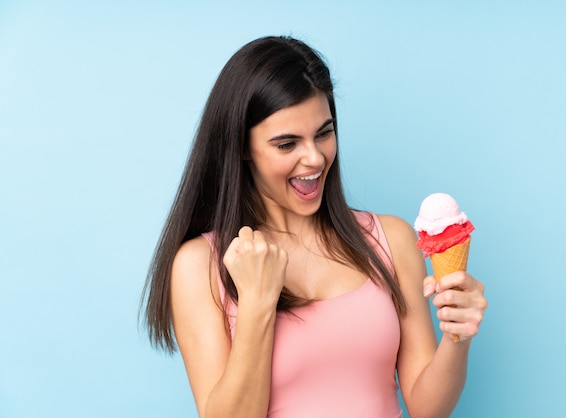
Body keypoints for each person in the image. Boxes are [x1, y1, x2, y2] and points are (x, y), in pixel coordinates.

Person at [140, 35, 487, 418]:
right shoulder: (200, 265)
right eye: (286, 144)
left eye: (324, 132)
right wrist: (257, 303)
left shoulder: (390, 239)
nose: (314, 158)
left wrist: (458, 337)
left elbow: (427, 409)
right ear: (241, 147)